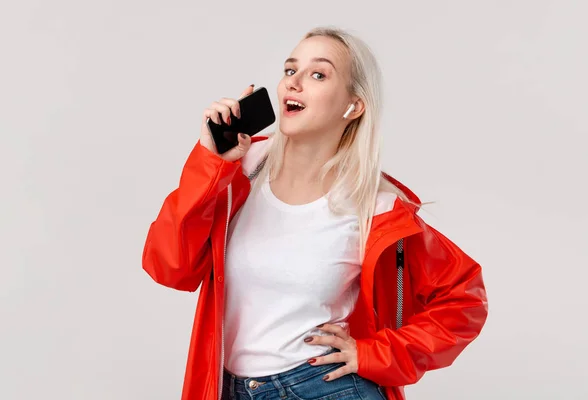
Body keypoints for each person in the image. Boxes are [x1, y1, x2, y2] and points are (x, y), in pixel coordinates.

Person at [142, 26, 488, 400]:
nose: (294, 83)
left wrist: (375, 353)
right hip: (228, 388)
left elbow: (464, 299)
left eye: (318, 74)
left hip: (323, 388)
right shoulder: (237, 171)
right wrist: (209, 163)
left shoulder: (376, 207)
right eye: (290, 71)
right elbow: (169, 267)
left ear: (353, 106)